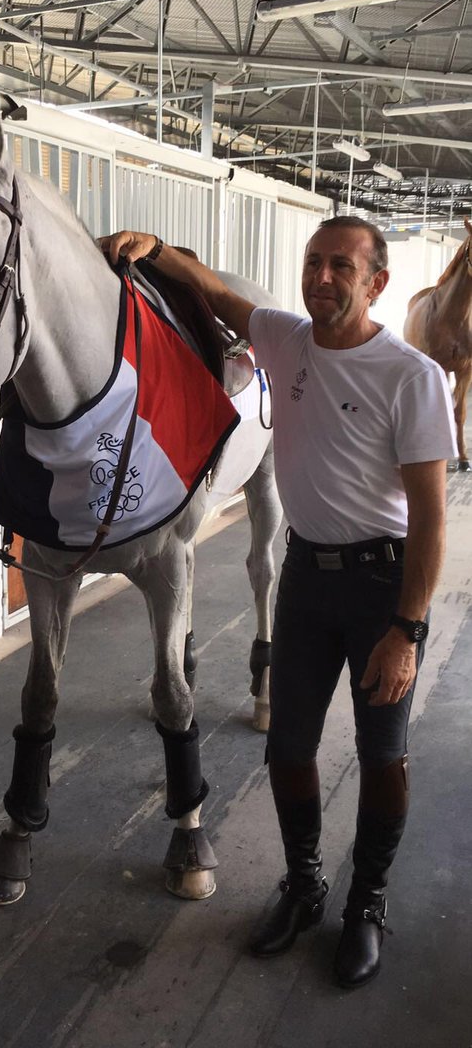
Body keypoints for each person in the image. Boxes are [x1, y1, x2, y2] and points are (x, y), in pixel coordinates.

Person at [99, 216, 457, 989]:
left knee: (382, 754)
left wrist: (406, 628)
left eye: (341, 267)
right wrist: (155, 249)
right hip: (305, 579)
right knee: (288, 748)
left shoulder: (412, 376)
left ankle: (366, 904)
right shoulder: (286, 340)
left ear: (377, 284)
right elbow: (215, 292)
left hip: (382, 586)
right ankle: (304, 885)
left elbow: (432, 518)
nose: (321, 277)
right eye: (313, 262)